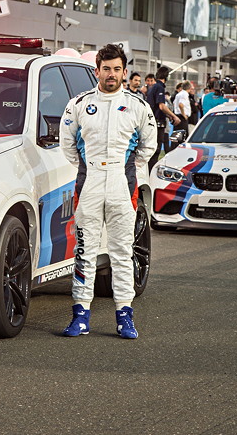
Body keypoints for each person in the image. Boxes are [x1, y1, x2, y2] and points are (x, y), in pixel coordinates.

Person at [60, 43, 156, 339]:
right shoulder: (78, 104)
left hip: (121, 184)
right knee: (84, 251)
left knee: (121, 253)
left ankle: (125, 316)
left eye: (117, 69)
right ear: (96, 71)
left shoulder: (138, 106)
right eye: (106, 69)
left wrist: (126, 170)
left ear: (124, 72)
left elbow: (148, 146)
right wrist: (88, 168)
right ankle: (80, 316)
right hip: (88, 183)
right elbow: (67, 143)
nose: (111, 74)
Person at [146, 66, 180, 172]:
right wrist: (174, 116)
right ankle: (152, 174)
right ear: (166, 76)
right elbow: (161, 106)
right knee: (156, 150)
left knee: (153, 150)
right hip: (157, 123)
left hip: (152, 121)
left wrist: (168, 116)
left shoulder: (153, 87)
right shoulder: (159, 87)